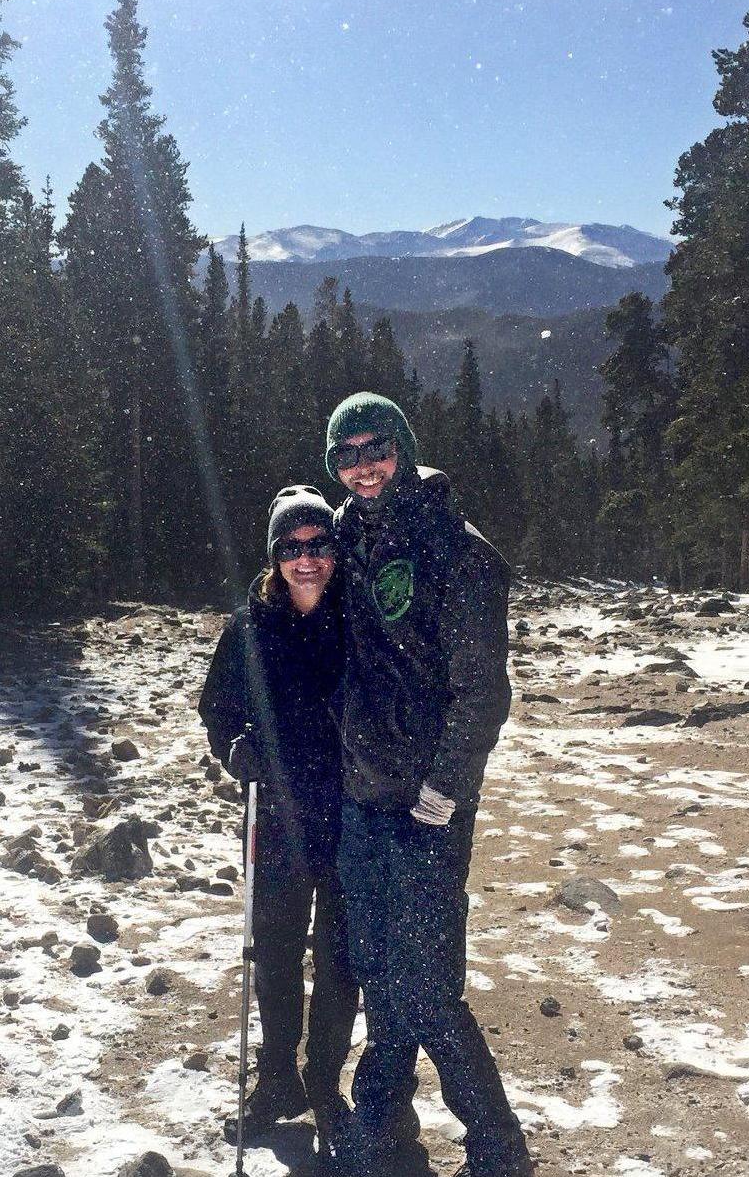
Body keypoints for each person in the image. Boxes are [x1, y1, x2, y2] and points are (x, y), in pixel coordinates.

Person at [323, 393, 534, 1177]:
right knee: (380, 972)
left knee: (430, 986)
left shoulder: (457, 547)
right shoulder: (346, 536)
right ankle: (384, 1131)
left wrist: (443, 791)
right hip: (361, 796)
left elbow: (483, 691)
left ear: (403, 447)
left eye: (375, 448)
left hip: (425, 805)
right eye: (346, 456)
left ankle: (496, 1147)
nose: (363, 466)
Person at [198, 485, 359, 1155]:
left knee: (340, 956)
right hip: (278, 815)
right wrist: (236, 748)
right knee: (275, 953)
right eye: (291, 547)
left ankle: (324, 1082)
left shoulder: (357, 618)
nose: (306, 558)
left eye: (318, 543)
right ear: (275, 555)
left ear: (333, 548)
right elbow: (218, 709)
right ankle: (276, 1078)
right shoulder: (250, 626)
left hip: (351, 812)